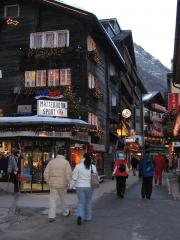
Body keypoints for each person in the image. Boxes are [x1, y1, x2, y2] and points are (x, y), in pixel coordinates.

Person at [44, 148, 72, 222]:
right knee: (63, 199)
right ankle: (65, 212)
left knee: (52, 200)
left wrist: (48, 181)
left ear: (57, 154)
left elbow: (46, 173)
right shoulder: (66, 163)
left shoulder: (51, 162)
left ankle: (51, 216)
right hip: (63, 184)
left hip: (53, 184)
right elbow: (68, 174)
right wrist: (69, 183)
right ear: (64, 154)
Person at [70, 153, 97, 225]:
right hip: (89, 187)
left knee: (80, 202)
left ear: (83, 158)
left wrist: (71, 186)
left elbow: (74, 177)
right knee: (88, 201)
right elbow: (96, 176)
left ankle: (80, 216)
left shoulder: (78, 166)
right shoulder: (93, 167)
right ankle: (88, 217)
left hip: (80, 186)